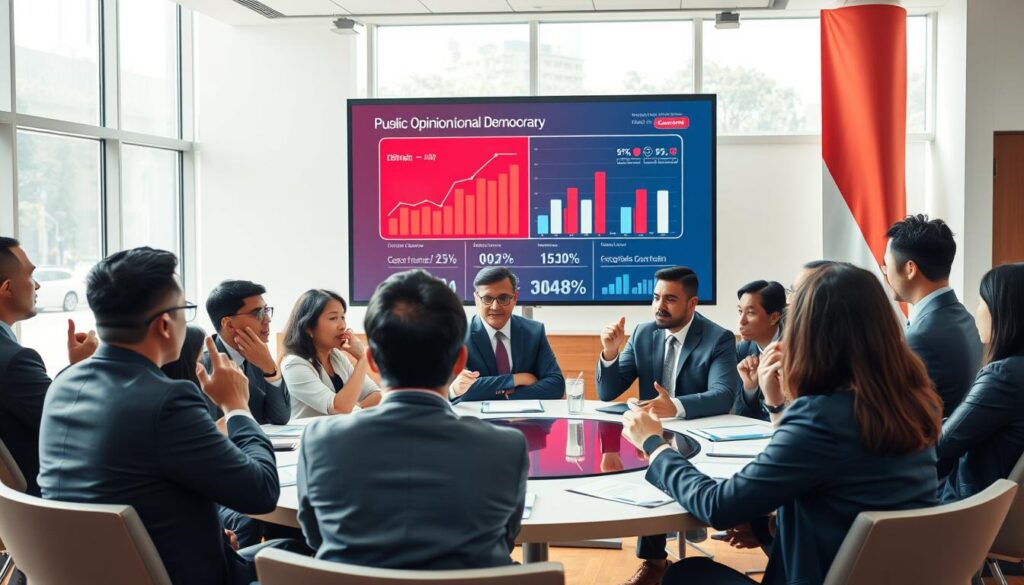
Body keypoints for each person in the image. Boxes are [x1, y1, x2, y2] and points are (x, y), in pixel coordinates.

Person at [621, 262, 942, 585]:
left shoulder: (822, 417)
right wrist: (767, 528)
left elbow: (716, 506)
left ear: (812, 331)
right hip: (890, 574)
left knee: (685, 575)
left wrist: (655, 445)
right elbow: (840, 498)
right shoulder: (913, 402)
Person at [37, 247, 294, 585]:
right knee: (303, 552)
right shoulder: (167, 400)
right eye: (184, 310)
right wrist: (237, 407)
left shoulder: (63, 384)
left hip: (103, 572)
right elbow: (261, 492)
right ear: (164, 324)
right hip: (180, 576)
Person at [296, 269, 529, 569]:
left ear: (372, 361)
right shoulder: (507, 447)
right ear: (459, 361)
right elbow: (505, 541)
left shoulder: (319, 440)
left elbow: (316, 538)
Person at [596, 266, 740, 585]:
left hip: (699, 435)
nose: (659, 306)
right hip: (653, 435)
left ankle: (658, 561)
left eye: (670, 299)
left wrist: (674, 405)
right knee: (644, 462)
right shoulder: (644, 333)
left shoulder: (718, 338)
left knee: (660, 460)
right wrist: (610, 352)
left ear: (692, 303)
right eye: (656, 297)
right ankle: (654, 561)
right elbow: (608, 391)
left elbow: (723, 394)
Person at [0, 237, 96, 495]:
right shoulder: (14, 361)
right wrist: (83, 368)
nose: (37, 284)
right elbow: (72, 424)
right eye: (31, 275)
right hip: (42, 502)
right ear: (7, 288)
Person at [938, 263, 1024, 503]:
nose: (975, 312)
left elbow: (941, 447)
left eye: (979, 302)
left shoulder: (1003, 377)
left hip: (966, 508)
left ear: (1003, 311)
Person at [884, 214, 983, 416]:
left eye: (886, 266)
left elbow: (899, 414)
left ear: (910, 269)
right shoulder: (965, 317)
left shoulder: (920, 337)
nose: (885, 274)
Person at [450, 267, 564, 402]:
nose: (495, 306)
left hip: (525, 415)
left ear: (514, 298)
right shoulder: (459, 335)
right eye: (487, 298)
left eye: (503, 298)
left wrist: (507, 396)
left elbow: (556, 385)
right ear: (476, 299)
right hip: (475, 416)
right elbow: (458, 388)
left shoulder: (534, 332)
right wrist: (516, 379)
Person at [281, 289, 381, 419]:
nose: (342, 326)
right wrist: (362, 359)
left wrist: (354, 409)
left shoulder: (336, 356)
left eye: (342, 317)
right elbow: (339, 408)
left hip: (338, 429)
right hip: (307, 432)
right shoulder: (294, 364)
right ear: (308, 327)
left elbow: (376, 396)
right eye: (333, 318)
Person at [203, 280, 290, 425]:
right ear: (229, 324)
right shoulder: (203, 365)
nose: (267, 320)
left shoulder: (258, 356)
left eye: (266, 311)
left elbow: (280, 418)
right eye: (257, 313)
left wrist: (270, 368)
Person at [734, 280, 786, 421]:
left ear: (774, 317)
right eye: (740, 311)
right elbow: (741, 416)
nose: (741, 321)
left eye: (750, 313)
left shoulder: (796, 349)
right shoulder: (743, 349)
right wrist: (750, 389)